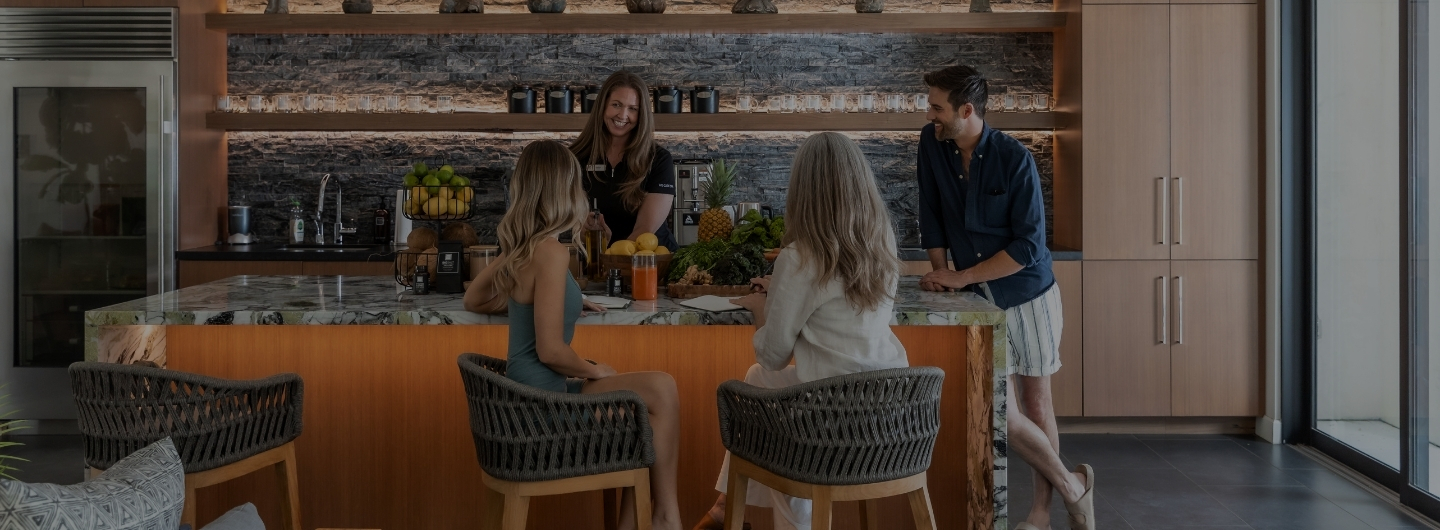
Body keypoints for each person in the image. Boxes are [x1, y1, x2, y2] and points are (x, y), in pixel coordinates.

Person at [692, 132, 909, 530]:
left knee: (773, 422)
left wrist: (764, 307)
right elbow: (840, 305)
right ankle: (726, 505)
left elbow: (773, 352)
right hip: (890, 419)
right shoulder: (882, 242)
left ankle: (752, 514)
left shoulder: (798, 257)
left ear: (802, 189)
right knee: (760, 382)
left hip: (831, 426)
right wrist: (785, 293)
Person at [463, 140, 683, 530]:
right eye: (577, 184)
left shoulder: (528, 247)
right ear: (561, 188)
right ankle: (665, 516)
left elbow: (473, 299)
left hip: (521, 401)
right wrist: (594, 372)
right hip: (544, 407)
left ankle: (648, 521)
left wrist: (554, 302)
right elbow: (550, 350)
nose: (582, 193)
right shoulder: (550, 251)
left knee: (649, 407)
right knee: (661, 388)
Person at [915, 65, 1093, 530]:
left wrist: (962, 275)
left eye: (937, 107)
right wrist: (942, 271)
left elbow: (1030, 246)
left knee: (1036, 406)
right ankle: (1075, 486)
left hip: (1027, 295)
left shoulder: (1015, 158)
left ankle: (1042, 513)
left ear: (966, 111)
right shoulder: (931, 143)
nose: (929, 114)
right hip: (975, 299)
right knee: (999, 408)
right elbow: (930, 210)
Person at [571, 70, 680, 251]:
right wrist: (585, 230)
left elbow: (644, 230)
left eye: (633, 109)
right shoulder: (577, 157)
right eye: (616, 104)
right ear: (603, 105)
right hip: (597, 263)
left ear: (641, 114)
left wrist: (612, 260)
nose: (622, 115)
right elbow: (572, 220)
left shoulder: (658, 159)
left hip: (652, 265)